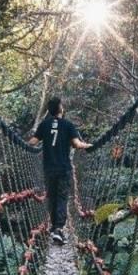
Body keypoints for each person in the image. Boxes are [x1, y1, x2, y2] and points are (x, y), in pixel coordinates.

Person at [28, 97, 91, 245]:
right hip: (63, 168)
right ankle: (58, 229)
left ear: (49, 110)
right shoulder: (68, 125)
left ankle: (54, 227)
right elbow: (76, 144)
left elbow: (33, 142)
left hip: (49, 168)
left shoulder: (44, 124)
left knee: (51, 197)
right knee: (62, 198)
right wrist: (88, 145)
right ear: (61, 108)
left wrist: (18, 141)